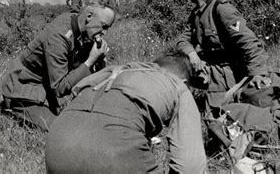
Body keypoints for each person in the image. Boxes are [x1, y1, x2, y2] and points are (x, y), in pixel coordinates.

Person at [45, 52, 207, 173]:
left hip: (56, 146)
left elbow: (77, 89)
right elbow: (190, 166)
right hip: (111, 153)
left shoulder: (114, 71)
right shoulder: (177, 86)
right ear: (184, 81)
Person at [0, 0, 116, 131]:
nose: (105, 33)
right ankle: (9, 110)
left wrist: (99, 62)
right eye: (104, 26)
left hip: (44, 90)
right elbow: (60, 88)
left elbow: (76, 69)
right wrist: (90, 61)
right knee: (62, 131)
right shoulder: (59, 37)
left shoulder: (78, 27)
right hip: (25, 89)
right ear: (89, 16)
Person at [176, 0, 270, 108]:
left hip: (228, 73)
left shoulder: (222, 10)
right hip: (210, 67)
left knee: (217, 118)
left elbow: (249, 42)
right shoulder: (196, 14)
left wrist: (258, 74)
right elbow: (182, 40)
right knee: (172, 67)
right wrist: (192, 54)